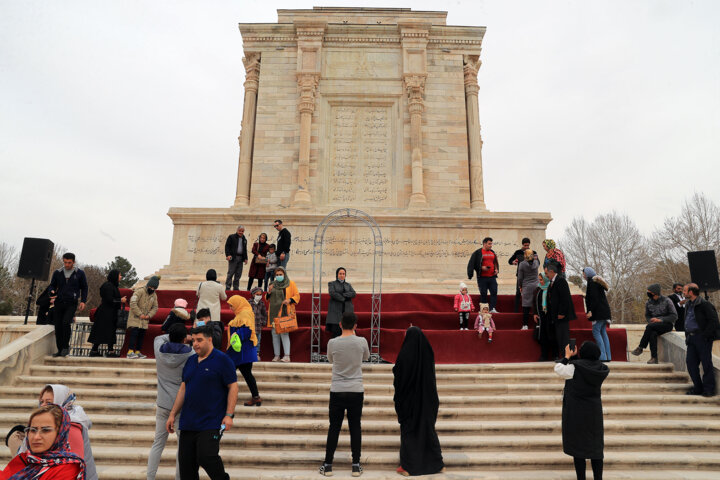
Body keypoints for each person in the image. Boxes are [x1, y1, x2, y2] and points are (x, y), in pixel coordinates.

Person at [166, 324, 238, 480]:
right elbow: (183, 389)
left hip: (212, 422)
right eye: (193, 340)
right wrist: (172, 414)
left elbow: (233, 387)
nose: (196, 344)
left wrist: (229, 415)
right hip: (188, 422)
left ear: (210, 340)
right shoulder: (191, 361)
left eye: (200, 340)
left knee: (207, 456)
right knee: (186, 468)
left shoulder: (223, 360)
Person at [320, 312, 370, 477]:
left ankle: (328, 465)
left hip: (338, 389)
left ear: (340, 324)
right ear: (355, 326)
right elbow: (366, 357)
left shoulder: (332, 343)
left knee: (334, 427)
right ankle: (356, 464)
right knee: (355, 427)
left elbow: (330, 360)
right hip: (356, 389)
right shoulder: (362, 341)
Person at [393, 326, 444, 477]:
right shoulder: (427, 352)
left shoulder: (404, 356)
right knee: (428, 431)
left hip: (409, 402)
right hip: (427, 400)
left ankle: (408, 467)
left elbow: (399, 378)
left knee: (409, 432)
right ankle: (437, 464)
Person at [554, 341, 609, 480]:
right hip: (594, 411)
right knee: (596, 448)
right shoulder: (601, 368)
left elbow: (559, 369)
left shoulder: (574, 368)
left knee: (578, 448)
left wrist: (567, 356)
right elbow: (586, 366)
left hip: (576, 412)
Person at [148, 324, 193, 480]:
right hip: (181, 404)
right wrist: (187, 338)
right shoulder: (190, 354)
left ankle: (150, 477)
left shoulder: (158, 348)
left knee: (158, 443)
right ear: (184, 338)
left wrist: (176, 335)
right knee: (182, 447)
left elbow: (159, 337)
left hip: (162, 402)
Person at [29, 384, 97, 480]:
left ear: (62, 401)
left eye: (48, 402)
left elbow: (74, 465)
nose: (43, 405)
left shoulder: (70, 426)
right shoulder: (47, 420)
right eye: (42, 401)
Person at [0, 405, 85, 480]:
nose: (36, 437)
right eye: (32, 430)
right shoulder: (26, 458)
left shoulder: (68, 468)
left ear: (60, 434)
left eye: (45, 430)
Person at [683, 283, 720, 397]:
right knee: (691, 364)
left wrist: (705, 336)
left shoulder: (705, 304)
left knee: (706, 364)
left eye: (685, 291)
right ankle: (698, 388)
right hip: (691, 338)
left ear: (691, 292)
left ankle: (709, 389)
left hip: (702, 338)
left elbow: (713, 321)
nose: (683, 293)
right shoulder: (688, 304)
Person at [48, 252, 88, 357]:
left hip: (71, 302)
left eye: (69, 263)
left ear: (73, 262)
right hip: (59, 302)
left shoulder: (80, 273)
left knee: (66, 323)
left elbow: (84, 287)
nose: (67, 265)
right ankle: (60, 349)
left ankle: (65, 347)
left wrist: (83, 301)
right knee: (58, 326)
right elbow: (52, 285)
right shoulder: (58, 272)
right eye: (65, 262)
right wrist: (52, 291)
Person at [226, 295, 262, 406]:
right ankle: (256, 397)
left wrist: (237, 333)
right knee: (246, 374)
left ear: (238, 303)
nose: (230, 308)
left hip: (242, 352)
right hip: (241, 352)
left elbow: (247, 330)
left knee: (228, 372)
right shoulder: (242, 313)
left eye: (232, 306)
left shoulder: (244, 313)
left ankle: (222, 396)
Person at [630, 284, 677, 364]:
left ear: (655, 292)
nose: (648, 293)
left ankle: (641, 347)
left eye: (649, 292)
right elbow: (647, 315)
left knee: (649, 327)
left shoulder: (667, 300)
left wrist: (660, 320)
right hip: (653, 326)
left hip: (666, 324)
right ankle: (654, 358)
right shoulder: (648, 302)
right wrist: (650, 320)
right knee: (652, 334)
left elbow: (674, 316)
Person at [88, 269, 126, 357]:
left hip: (109, 313)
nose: (121, 277)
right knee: (105, 331)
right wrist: (120, 300)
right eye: (119, 275)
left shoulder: (112, 285)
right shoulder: (108, 286)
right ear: (115, 276)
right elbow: (109, 299)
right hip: (105, 313)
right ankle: (108, 351)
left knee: (107, 332)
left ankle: (96, 350)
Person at [267, 266, 300, 362]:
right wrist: (269, 291)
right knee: (274, 334)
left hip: (285, 312)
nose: (278, 276)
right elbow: (267, 298)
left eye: (280, 274)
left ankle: (286, 355)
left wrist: (289, 300)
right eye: (277, 275)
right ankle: (276, 355)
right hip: (274, 312)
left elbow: (297, 296)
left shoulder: (290, 284)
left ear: (284, 274)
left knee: (284, 333)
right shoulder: (272, 284)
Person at [583, 267, 612, 362]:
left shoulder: (592, 283)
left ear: (587, 274)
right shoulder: (597, 283)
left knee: (596, 332)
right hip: (604, 312)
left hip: (598, 313)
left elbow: (593, 299)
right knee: (603, 332)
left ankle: (602, 356)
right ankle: (608, 356)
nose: (583, 275)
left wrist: (590, 311)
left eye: (584, 273)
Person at [546, 263, 576, 353]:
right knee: (559, 336)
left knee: (564, 336)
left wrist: (562, 313)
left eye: (547, 273)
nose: (546, 276)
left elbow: (565, 298)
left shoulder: (561, 281)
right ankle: (564, 355)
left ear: (551, 272)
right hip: (556, 315)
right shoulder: (553, 282)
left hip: (562, 315)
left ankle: (566, 356)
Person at [467, 237, 500, 313]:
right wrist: (481, 268)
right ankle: (483, 310)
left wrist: (496, 269)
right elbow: (472, 264)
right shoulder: (478, 253)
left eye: (491, 243)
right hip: (482, 278)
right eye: (489, 244)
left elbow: (495, 262)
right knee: (483, 294)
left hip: (492, 277)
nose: (491, 245)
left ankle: (492, 308)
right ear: (484, 244)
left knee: (494, 292)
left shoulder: (493, 252)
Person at [327, 267, 357, 339]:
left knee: (347, 332)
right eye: (340, 274)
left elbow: (353, 293)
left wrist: (344, 294)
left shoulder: (348, 285)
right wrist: (343, 299)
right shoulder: (332, 284)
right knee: (336, 333)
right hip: (336, 311)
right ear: (337, 274)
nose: (342, 275)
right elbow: (332, 293)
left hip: (347, 310)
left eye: (343, 274)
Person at [534, 273, 558, 361]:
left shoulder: (551, 288)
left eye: (541, 279)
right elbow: (535, 302)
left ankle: (555, 355)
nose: (540, 281)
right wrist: (535, 313)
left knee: (552, 335)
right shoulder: (538, 289)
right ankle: (544, 355)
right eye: (539, 279)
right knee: (543, 336)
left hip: (550, 316)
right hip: (541, 316)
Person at [508, 238, 535, 312]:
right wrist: (514, 262)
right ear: (522, 244)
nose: (526, 247)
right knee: (518, 292)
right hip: (520, 275)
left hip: (530, 276)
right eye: (525, 245)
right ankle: (516, 310)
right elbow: (509, 261)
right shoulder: (518, 252)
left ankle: (532, 310)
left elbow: (537, 262)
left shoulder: (533, 252)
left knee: (530, 293)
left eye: (528, 245)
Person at [517, 248, 540, 330]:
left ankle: (525, 325)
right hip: (536, 285)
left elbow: (520, 277)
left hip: (526, 286)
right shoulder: (536, 262)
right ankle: (538, 324)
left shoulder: (522, 264)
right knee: (536, 305)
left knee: (526, 307)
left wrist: (520, 286)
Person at [224, 225, 248, 291]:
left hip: (240, 258)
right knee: (230, 273)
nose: (241, 232)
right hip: (233, 258)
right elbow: (227, 247)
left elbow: (245, 249)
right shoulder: (231, 237)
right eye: (240, 231)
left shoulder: (244, 239)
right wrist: (228, 255)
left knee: (238, 274)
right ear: (237, 230)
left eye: (242, 231)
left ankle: (236, 287)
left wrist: (246, 258)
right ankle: (228, 287)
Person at [250, 287, 267, 360]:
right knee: (250, 340)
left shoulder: (262, 304)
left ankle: (256, 354)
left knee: (258, 341)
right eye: (257, 294)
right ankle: (250, 354)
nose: (259, 296)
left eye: (260, 295)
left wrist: (263, 322)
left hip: (258, 326)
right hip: (250, 326)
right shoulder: (249, 303)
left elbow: (264, 314)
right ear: (253, 294)